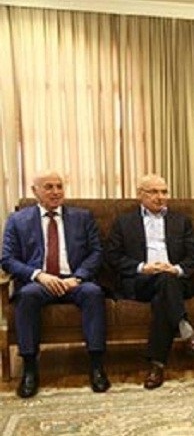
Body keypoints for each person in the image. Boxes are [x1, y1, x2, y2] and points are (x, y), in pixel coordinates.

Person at [1, 171, 110, 398]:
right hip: (39, 283)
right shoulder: (17, 220)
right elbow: (7, 259)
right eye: (48, 187)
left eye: (59, 186)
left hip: (74, 280)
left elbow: (96, 252)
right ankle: (30, 369)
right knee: (27, 296)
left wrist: (77, 277)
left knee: (93, 292)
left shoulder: (82, 217)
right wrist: (39, 275)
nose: (55, 192)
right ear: (35, 191)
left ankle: (96, 366)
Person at [106, 174, 194, 390]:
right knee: (164, 286)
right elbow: (112, 256)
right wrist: (142, 267)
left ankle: (157, 365)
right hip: (140, 281)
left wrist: (176, 269)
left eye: (164, 192)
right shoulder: (124, 222)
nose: (160, 197)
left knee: (164, 290)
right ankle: (186, 332)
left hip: (175, 280)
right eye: (153, 192)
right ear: (140, 194)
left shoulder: (181, 221)